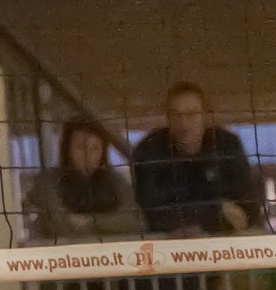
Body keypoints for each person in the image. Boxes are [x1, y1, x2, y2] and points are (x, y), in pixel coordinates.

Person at [132, 82, 264, 237]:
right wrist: (217, 210)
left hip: (224, 239)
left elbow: (245, 209)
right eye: (176, 114)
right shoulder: (149, 150)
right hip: (167, 241)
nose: (184, 123)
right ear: (167, 117)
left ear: (205, 115)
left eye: (192, 113)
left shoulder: (227, 145)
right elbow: (150, 210)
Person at [24, 118, 144, 242]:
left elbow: (137, 222)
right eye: (81, 147)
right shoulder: (47, 181)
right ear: (66, 149)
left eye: (95, 148)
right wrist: (110, 225)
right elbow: (60, 226)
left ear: (103, 152)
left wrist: (91, 221)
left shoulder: (114, 180)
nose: (88, 155)